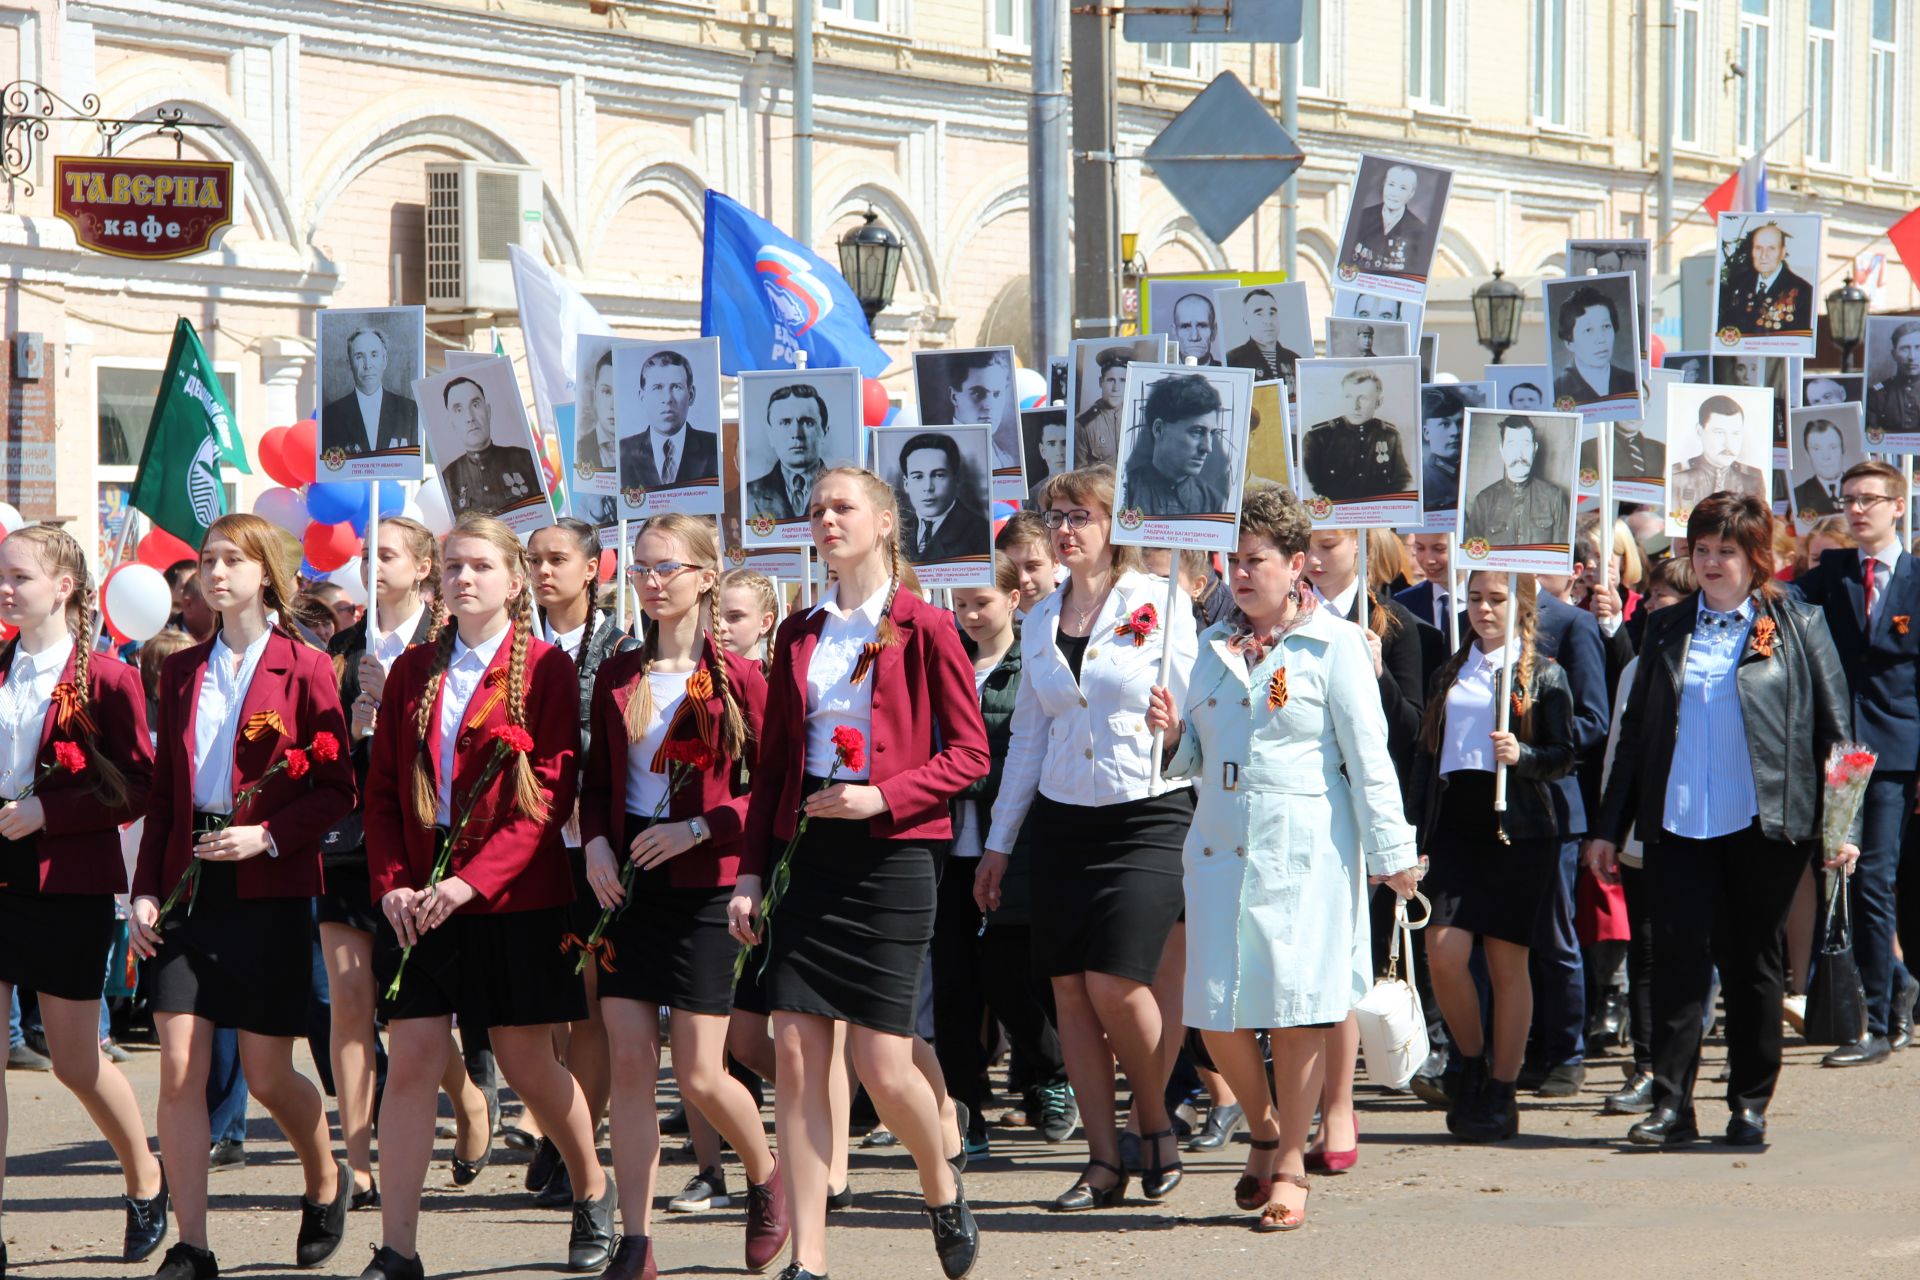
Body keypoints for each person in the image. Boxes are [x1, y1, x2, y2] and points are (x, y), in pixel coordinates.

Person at [727, 466, 988, 1280]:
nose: (826, 520)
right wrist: (747, 876)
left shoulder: (927, 626)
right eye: (816, 511)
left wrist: (884, 795)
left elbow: (970, 754)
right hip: (808, 859)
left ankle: (939, 1179)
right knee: (798, 1059)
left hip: (895, 856)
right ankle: (811, 1259)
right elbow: (772, 768)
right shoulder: (799, 631)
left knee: (882, 1061)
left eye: (842, 507)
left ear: (884, 522)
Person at [1145, 486, 1418, 1231]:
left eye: (1255, 560)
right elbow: (1197, 754)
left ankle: (1291, 1160)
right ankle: (1264, 1130)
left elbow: (1370, 758)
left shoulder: (1334, 646)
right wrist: (1172, 735)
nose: (1239, 573)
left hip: (1304, 848)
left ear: (1296, 563)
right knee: (1217, 1016)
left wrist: (1393, 853)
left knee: (1297, 1013)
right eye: (1231, 560)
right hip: (1219, 846)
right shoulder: (1210, 646)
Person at [359, 513, 616, 1280]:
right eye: (452, 567)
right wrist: (393, 885)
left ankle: (591, 1186)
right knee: (410, 1064)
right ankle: (398, 1247)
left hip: (512, 899)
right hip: (419, 903)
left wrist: (472, 882)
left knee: (527, 1062)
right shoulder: (411, 671)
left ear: (513, 581)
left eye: (479, 566)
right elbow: (379, 796)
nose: (462, 578)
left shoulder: (544, 668)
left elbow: (550, 795)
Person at [129, 513, 357, 1280]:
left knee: (266, 1076)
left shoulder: (308, 665)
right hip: (189, 885)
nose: (213, 573)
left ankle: (324, 1176)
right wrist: (145, 893)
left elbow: (335, 789)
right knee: (179, 1066)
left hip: (269, 883)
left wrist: (268, 836)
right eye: (206, 560)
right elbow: (165, 797)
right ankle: (193, 1244)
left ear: (267, 574)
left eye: (232, 560)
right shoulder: (182, 669)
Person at [1589, 494, 1855, 1147]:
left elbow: (1840, 735)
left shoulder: (1798, 622)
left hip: (1762, 821)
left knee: (1752, 965)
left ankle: (1750, 1102)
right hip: (1679, 820)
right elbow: (1635, 737)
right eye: (1701, 549)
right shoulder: (1665, 626)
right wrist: (1607, 826)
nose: (1710, 563)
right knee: (1678, 963)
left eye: (1725, 551)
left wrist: (1840, 827)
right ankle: (1672, 1106)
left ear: (1755, 557)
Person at [978, 465, 1198, 1214]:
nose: (1065, 528)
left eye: (1080, 515)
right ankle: (1102, 1160)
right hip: (1065, 817)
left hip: (1148, 810)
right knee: (1069, 991)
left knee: (1116, 982)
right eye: (1055, 515)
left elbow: (1203, 715)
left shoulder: (1162, 604)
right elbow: (1030, 742)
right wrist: (1000, 844)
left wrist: (1182, 730)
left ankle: (1155, 1116)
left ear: (1115, 524)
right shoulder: (1038, 619)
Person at [578, 514, 781, 1280]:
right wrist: (596, 841)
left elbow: (770, 792)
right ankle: (636, 1239)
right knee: (631, 1060)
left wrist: (701, 827)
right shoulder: (619, 671)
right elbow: (596, 783)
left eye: (667, 567)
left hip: (708, 884)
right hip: (629, 881)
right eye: (641, 568)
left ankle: (766, 1175)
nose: (652, 581)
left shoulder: (742, 676)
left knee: (699, 1072)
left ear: (705, 574)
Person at [0, 527, 165, 1275]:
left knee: (73, 1061)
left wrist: (50, 813)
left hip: (64, 879)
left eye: (18, 577)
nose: (5, 589)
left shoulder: (106, 677)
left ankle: (145, 1178)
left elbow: (136, 786)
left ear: (63, 587)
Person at [324, 516, 493, 1213]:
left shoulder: (441, 644)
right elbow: (315, 747)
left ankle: (468, 1099)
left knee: (409, 1013)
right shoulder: (342, 645)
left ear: (425, 568)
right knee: (350, 1004)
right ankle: (358, 1163)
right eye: (369, 554)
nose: (374, 564)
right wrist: (353, 719)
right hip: (345, 844)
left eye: (388, 554)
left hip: (417, 843)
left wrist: (394, 699)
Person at [1410, 572, 1576, 1143]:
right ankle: (1471, 1061)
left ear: (1522, 607)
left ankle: (1502, 1089)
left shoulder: (1543, 675)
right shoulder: (1451, 671)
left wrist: (1522, 752)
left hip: (1518, 828)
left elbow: (1564, 755)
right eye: (1476, 598)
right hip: (1455, 823)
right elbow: (1426, 755)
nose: (1483, 608)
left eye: (1497, 599)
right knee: (1445, 952)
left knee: (1508, 965)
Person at [1788, 460, 1920, 1066]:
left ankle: (1873, 1021)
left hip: (1893, 753)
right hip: (1841, 753)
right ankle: (1893, 988)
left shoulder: (1917, 581)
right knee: (1839, 872)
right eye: (1848, 500)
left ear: (1899, 505)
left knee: (1874, 877)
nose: (1856, 509)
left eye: (1869, 499)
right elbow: (1779, 600)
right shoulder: (1832, 572)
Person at [528, 518, 643, 1204]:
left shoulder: (621, 650)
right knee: (535, 1006)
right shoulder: (509, 646)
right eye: (534, 560)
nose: (545, 571)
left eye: (558, 559)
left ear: (594, 567)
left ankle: (576, 1142)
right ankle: (555, 1123)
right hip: (517, 850)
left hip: (589, 847)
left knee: (588, 1004)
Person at [1591, 555, 1696, 1118]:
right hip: (1639, 833)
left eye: (1664, 599)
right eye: (1650, 596)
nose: (1652, 606)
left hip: (1695, 828)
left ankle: (1685, 1060)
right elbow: (1620, 752)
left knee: (1691, 952)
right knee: (1647, 953)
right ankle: (1649, 1066)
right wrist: (1610, 829)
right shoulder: (1638, 664)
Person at [1121, 373, 1228, 517]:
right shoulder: (1124, 493)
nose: (1207, 448)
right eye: (1197, 431)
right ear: (1159, 429)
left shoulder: (1215, 504)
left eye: (1212, 433)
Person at [1300, 369, 1413, 501]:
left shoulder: (1389, 436)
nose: (1355, 406)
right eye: (1349, 397)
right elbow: (1308, 489)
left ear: (1378, 402)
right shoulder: (1318, 438)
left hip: (1378, 515)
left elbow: (1403, 482)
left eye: (1363, 398)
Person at [437, 377, 543, 517]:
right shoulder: (447, 480)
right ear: (452, 423)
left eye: (475, 405)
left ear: (488, 411)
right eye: (459, 410)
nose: (470, 417)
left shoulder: (527, 461)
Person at [1463, 415, 1572, 548]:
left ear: (1535, 449)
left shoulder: (1554, 497)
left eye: (1525, 444)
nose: (1519, 455)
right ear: (1502, 450)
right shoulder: (1484, 500)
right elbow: (1472, 557)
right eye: (1512, 444)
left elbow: (1561, 556)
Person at [619, 350, 720, 491]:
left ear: (691, 395)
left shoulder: (715, 448)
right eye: (658, 387)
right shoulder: (622, 452)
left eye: (676, 387)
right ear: (642, 397)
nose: (667, 398)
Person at [322, 327, 419, 459]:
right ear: (349, 363)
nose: (368, 365)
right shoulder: (330, 416)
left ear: (385, 360)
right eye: (359, 356)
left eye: (374, 355)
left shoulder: (411, 411)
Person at [895, 432, 992, 565]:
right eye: (918, 477)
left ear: (956, 479)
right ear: (906, 484)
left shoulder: (979, 532)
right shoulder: (897, 533)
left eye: (939, 475)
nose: (928, 487)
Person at [747, 384, 832, 524]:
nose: (796, 434)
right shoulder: (749, 495)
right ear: (771, 435)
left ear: (824, 431)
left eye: (807, 422)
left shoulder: (844, 490)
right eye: (785, 423)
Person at [1671, 394, 1768, 511]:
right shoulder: (1677, 478)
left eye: (1735, 433)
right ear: (1700, 431)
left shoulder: (1752, 479)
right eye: (1719, 433)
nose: (1728, 444)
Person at [1717, 222, 1813, 337]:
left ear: (1782, 252)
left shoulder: (1803, 291)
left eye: (1771, 249)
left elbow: (1800, 341)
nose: (1763, 255)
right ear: (1751, 251)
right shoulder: (1738, 284)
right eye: (1758, 248)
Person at [1552, 286, 1638, 405]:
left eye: (1606, 326)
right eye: (1588, 330)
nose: (1601, 339)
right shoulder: (1558, 391)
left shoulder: (1632, 383)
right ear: (1569, 343)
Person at [1344, 162, 1431, 276]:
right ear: (1384, 186)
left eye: (1403, 188)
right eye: (1391, 184)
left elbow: (1415, 279)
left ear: (1411, 194)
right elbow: (1345, 266)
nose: (1394, 193)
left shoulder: (1420, 232)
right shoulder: (1360, 217)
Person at [940, 350, 1020, 470]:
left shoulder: (1006, 459)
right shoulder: (941, 456)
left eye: (997, 394)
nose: (989, 406)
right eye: (978, 393)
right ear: (954, 396)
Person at [1225, 289, 1298, 384]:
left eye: (1272, 313)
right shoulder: (1232, 360)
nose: (1268, 321)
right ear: (1245, 320)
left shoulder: (1294, 360)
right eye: (1259, 314)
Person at [996, 511, 1060, 616]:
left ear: (1056, 562)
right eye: (1013, 568)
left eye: (1032, 567)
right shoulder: (990, 624)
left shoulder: (1079, 615)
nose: (1023, 578)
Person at [1075, 348, 1130, 468]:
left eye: (1122, 381)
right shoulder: (1083, 423)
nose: (1116, 388)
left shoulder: (1135, 416)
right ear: (1101, 382)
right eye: (1111, 380)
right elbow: (1080, 476)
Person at [1788, 417, 1850, 522]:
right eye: (1817, 449)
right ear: (1807, 454)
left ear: (1842, 449)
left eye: (1832, 447)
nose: (1826, 457)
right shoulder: (1797, 497)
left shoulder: (1861, 490)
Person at [717, 568, 780, 669]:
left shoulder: (780, 682)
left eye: (735, 616)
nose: (720, 626)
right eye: (713, 615)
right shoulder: (697, 679)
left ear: (764, 622)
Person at [1866, 320, 1920, 435]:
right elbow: (1872, 439)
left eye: (1918, 347)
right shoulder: (1877, 395)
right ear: (1894, 354)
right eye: (1905, 348)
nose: (1912, 357)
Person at [1579, 421, 1666, 487]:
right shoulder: (1589, 448)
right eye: (1628, 405)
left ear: (1647, 408)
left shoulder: (1661, 449)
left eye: (1641, 405)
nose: (1634, 413)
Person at [1421, 386, 1465, 517]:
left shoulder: (1465, 471)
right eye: (1445, 424)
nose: (1455, 432)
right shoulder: (1423, 481)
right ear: (1427, 433)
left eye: (1460, 423)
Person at [1027, 414, 1071, 509]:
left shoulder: (1084, 491)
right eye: (1051, 444)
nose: (1059, 452)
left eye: (1064, 443)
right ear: (1042, 451)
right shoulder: (1031, 497)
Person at [1169, 293, 1220, 366]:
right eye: (1186, 326)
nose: (1194, 337)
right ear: (1174, 331)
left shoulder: (1230, 373)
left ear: (1214, 331)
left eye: (1202, 326)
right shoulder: (1159, 372)